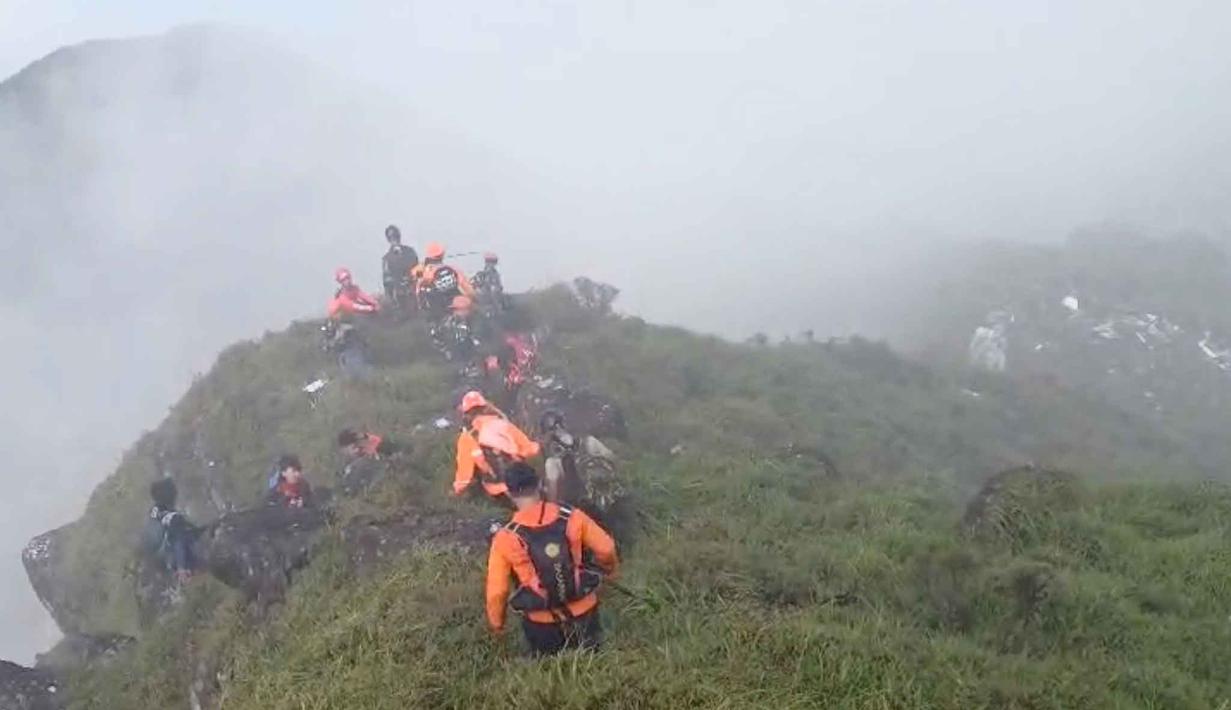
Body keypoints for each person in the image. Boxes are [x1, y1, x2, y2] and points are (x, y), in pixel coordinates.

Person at [485, 462, 619, 656]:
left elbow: (497, 592)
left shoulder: (505, 537)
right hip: (585, 611)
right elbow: (606, 549)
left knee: (551, 671)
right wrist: (611, 572)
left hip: (541, 623)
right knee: (597, 663)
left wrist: (497, 625)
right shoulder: (572, 516)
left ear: (509, 493)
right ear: (540, 484)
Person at [453, 390, 540, 499]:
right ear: (486, 408)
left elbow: (464, 474)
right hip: (523, 481)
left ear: (466, 415)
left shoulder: (466, 438)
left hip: (497, 490)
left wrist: (457, 492)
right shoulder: (504, 424)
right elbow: (530, 450)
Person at [143, 478, 198, 583]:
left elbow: (191, 526)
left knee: (187, 533)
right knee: (178, 533)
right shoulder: (156, 511)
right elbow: (159, 522)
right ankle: (181, 570)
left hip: (174, 546)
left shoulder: (171, 510)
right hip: (166, 552)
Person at [416, 242, 475, 319]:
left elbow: (418, 293)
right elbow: (468, 290)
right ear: (442, 255)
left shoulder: (424, 273)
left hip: (433, 312)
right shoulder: (453, 270)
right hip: (455, 308)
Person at [381, 225, 419, 309]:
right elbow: (387, 283)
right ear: (388, 239)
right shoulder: (386, 259)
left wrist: (413, 281)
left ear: (399, 236)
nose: (394, 240)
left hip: (414, 293)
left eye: (395, 236)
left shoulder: (410, 252)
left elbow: (418, 270)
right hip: (399, 299)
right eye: (391, 237)